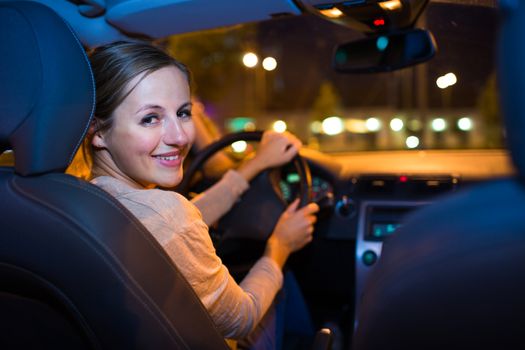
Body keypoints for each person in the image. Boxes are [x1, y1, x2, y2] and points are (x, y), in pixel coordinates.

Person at [84, 40, 319, 348]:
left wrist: (254, 166)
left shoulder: (79, 196)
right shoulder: (168, 217)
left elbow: (170, 226)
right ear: (98, 131)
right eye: (150, 118)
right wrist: (279, 246)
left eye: (183, 113)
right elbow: (242, 318)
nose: (180, 137)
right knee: (281, 280)